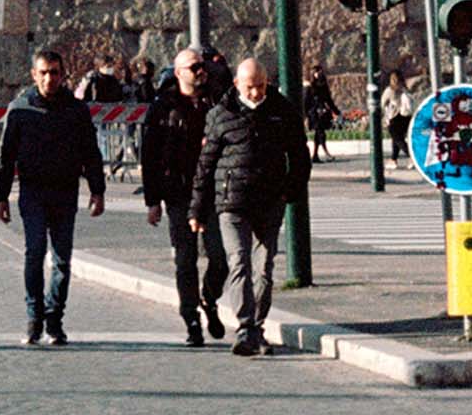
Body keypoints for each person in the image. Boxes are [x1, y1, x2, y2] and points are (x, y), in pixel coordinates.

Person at [194, 57, 309, 358]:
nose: (257, 93)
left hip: (270, 201)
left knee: (265, 269)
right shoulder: (221, 115)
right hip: (232, 201)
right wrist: (197, 209)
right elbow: (205, 165)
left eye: (262, 86)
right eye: (251, 87)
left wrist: (290, 191)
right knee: (239, 262)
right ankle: (245, 328)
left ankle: (257, 327)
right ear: (237, 85)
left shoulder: (282, 111)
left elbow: (299, 155)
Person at [0, 50, 108, 347]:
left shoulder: (75, 110)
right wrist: (1, 196)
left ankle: (54, 319)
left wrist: (98, 190)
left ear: (62, 74)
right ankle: (34, 318)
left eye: (55, 72)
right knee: (34, 252)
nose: (49, 78)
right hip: (32, 191)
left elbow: (90, 152)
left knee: (61, 259)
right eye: (43, 72)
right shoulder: (20, 110)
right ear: (33, 75)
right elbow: (6, 157)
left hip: (65, 191)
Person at [138, 46, 228, 346]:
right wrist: (152, 201)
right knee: (185, 260)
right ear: (178, 73)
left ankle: (209, 296)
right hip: (178, 192)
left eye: (201, 66)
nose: (200, 71)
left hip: (214, 191)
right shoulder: (163, 106)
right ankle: (191, 319)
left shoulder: (217, 100)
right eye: (193, 67)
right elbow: (149, 156)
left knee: (219, 256)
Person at [303, 66, 338, 163]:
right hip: (314, 113)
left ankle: (315, 155)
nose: (318, 74)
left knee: (319, 134)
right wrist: (306, 115)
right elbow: (306, 102)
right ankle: (326, 153)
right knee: (320, 133)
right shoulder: (310, 87)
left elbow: (328, 100)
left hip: (322, 113)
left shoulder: (323, 86)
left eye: (320, 72)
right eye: (316, 72)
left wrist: (336, 111)